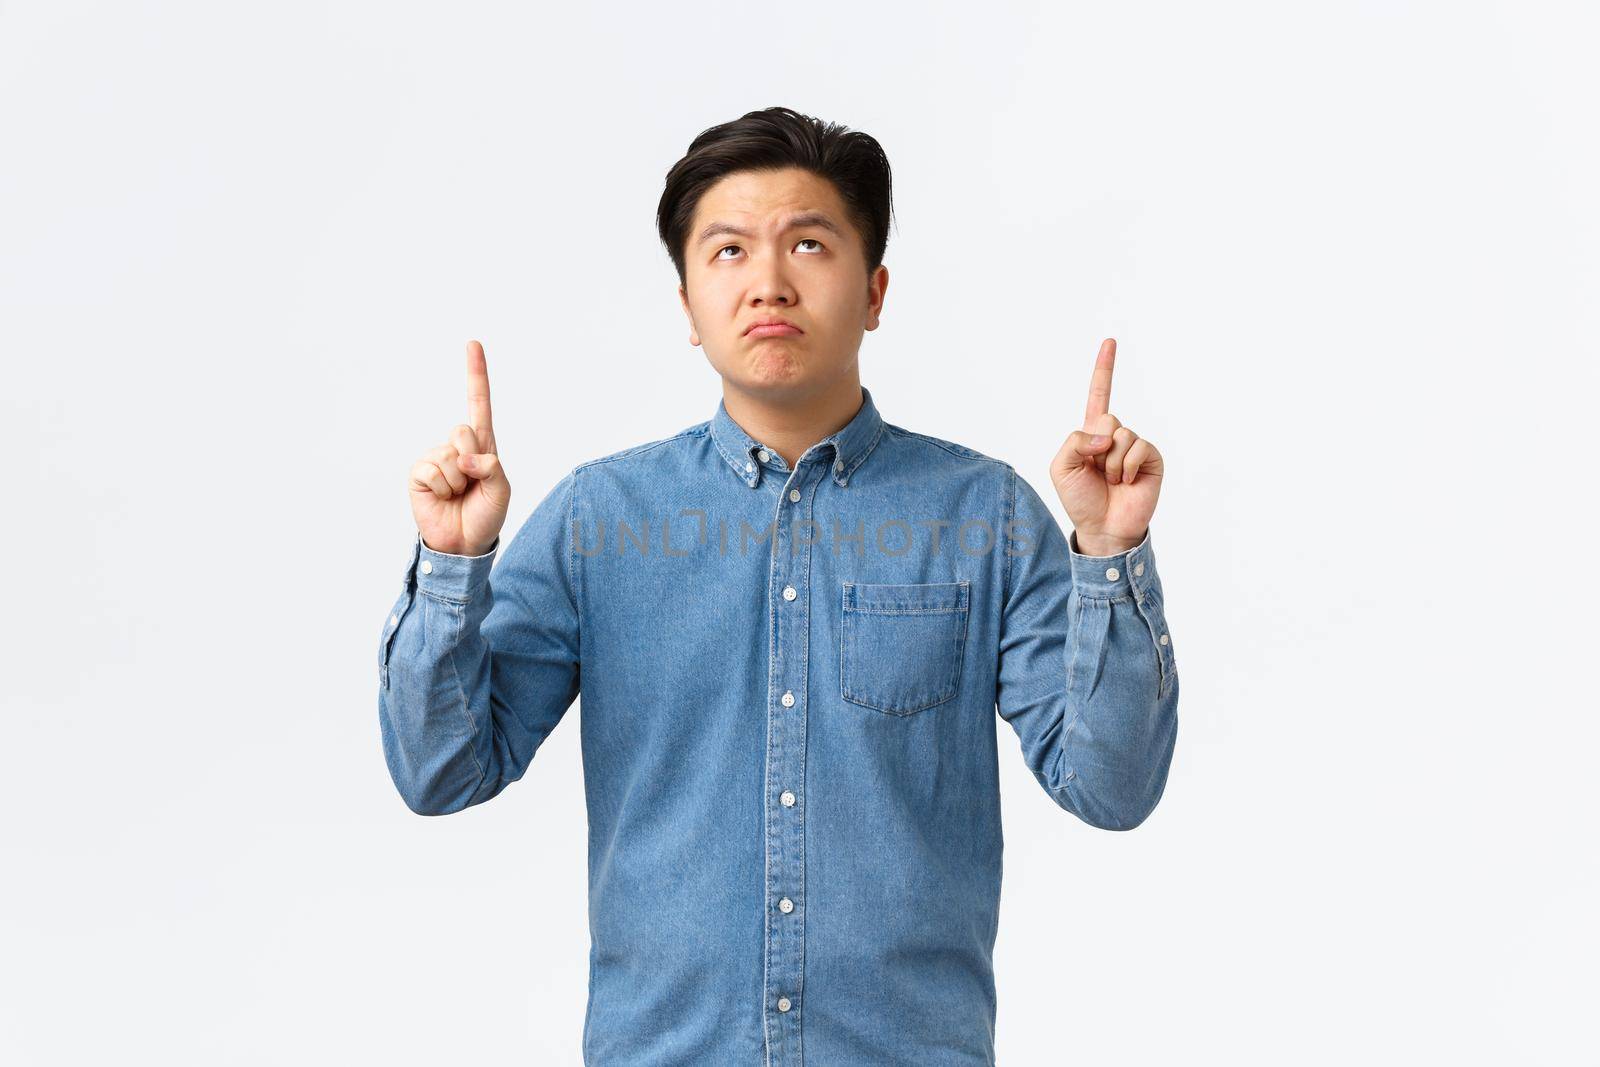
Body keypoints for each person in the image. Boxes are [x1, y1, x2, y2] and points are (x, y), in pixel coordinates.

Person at [377, 105, 1178, 1067]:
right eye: (726, 251)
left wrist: (1107, 552)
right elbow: (441, 771)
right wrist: (454, 565)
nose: (768, 282)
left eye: (808, 242)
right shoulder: (599, 521)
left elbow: (1112, 785)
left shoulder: (986, 518)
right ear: (685, 306)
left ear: (875, 290)